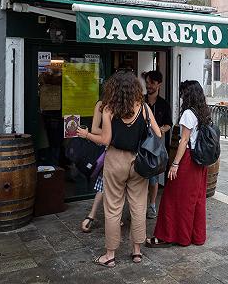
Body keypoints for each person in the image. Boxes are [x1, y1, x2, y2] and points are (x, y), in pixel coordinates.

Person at [77, 70, 161, 267]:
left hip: (115, 161)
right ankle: (137, 252)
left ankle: (110, 255)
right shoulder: (145, 108)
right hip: (138, 162)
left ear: (113, 89)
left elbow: (104, 139)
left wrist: (86, 135)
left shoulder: (108, 110)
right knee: (138, 206)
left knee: (113, 208)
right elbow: (157, 133)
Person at [145, 80, 209, 248]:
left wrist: (175, 164)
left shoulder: (188, 113)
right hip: (200, 162)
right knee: (196, 199)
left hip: (188, 159)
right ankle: (195, 236)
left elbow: (184, 141)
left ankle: (169, 236)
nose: (180, 96)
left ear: (186, 94)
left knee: (172, 198)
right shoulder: (204, 112)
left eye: (182, 93)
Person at [142, 71, 173, 220]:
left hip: (154, 147)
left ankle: (152, 205)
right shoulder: (140, 101)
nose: (148, 86)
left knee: (153, 179)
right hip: (140, 145)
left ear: (159, 84)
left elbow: (169, 124)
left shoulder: (164, 104)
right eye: (147, 82)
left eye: (152, 83)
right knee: (139, 178)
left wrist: (160, 129)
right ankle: (139, 205)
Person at [80, 100, 105, 233]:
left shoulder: (124, 103)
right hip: (107, 147)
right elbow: (95, 129)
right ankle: (92, 216)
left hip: (119, 148)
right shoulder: (101, 104)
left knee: (107, 183)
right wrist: (112, 133)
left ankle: (92, 216)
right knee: (105, 181)